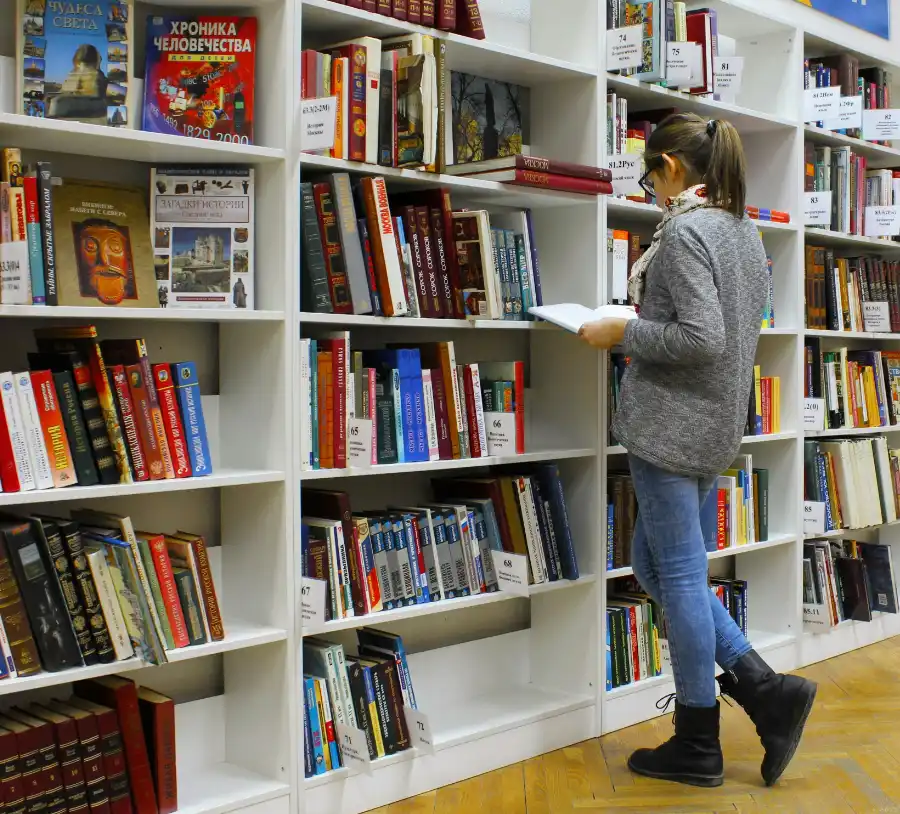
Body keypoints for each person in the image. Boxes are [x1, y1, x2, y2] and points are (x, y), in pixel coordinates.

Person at [579, 112, 817, 789]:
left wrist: (621, 332)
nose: (650, 189)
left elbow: (701, 338)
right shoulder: (741, 229)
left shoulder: (685, 233)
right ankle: (763, 686)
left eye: (650, 175)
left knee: (677, 576)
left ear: (673, 170)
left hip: (671, 426)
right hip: (713, 424)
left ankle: (698, 738)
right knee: (653, 565)